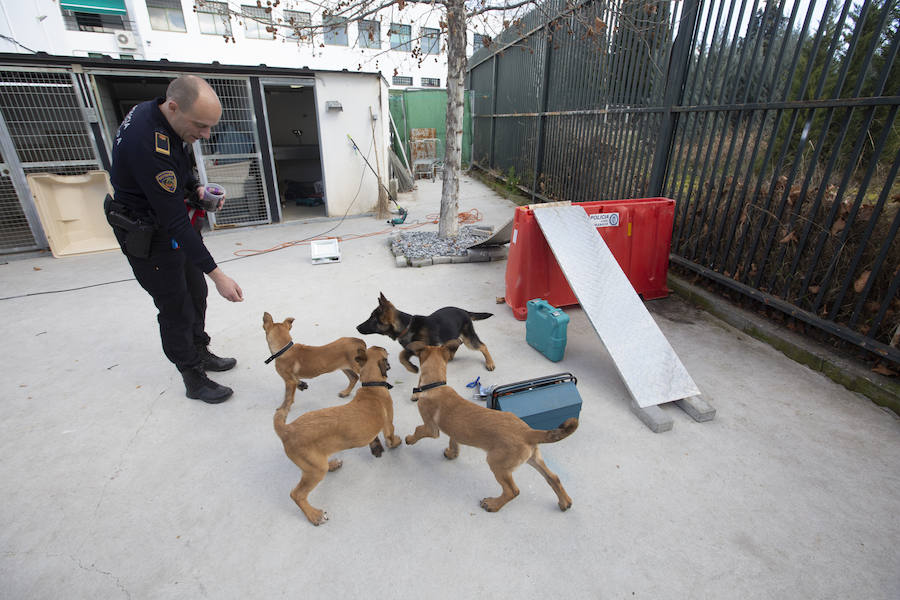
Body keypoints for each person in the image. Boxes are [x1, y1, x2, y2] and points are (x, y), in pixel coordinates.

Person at [107, 75, 243, 404]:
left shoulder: (161, 118)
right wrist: (219, 275)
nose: (205, 134)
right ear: (173, 106)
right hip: (146, 234)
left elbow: (178, 164)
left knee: (195, 293)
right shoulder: (147, 141)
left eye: (210, 127)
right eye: (200, 125)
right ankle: (192, 375)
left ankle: (200, 349)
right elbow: (176, 223)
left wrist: (194, 187)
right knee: (175, 307)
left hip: (164, 223)